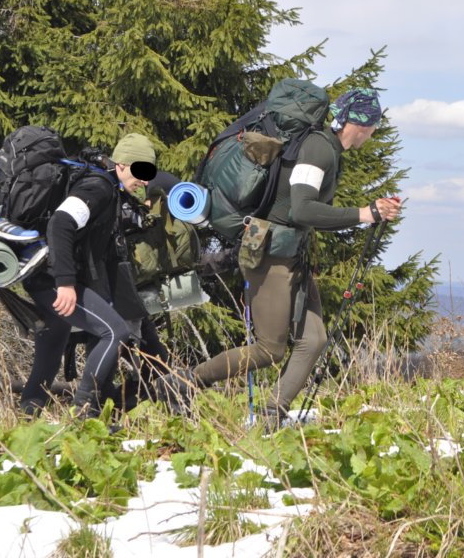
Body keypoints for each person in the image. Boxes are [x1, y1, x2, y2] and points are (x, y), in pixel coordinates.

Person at [155, 88, 402, 428]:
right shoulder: (318, 150)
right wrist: (364, 213)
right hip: (270, 253)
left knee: (313, 339)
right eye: (373, 125)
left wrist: (370, 212)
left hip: (289, 253)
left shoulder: (325, 148)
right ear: (361, 123)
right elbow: (302, 208)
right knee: (270, 348)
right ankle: (184, 383)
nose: (373, 132)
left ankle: (272, 415)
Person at [19, 133, 158, 418]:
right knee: (114, 332)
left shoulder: (110, 190)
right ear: (121, 164)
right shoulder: (98, 187)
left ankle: (27, 417)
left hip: (42, 273)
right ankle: (84, 415)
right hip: (51, 277)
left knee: (53, 340)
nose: (145, 181)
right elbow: (61, 223)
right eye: (140, 171)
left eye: (149, 174)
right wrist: (65, 283)